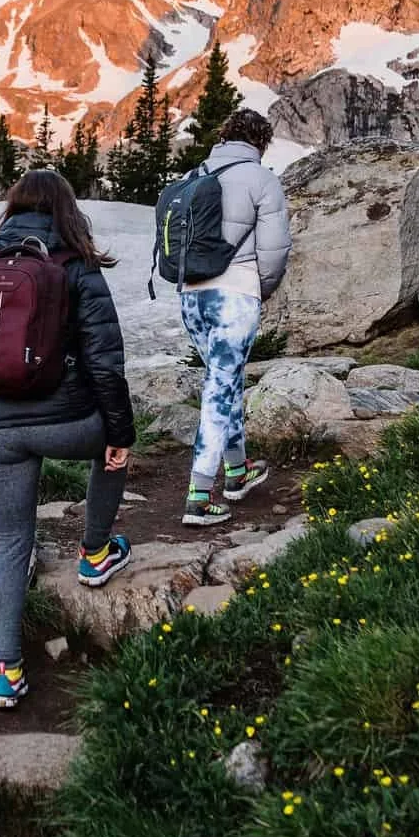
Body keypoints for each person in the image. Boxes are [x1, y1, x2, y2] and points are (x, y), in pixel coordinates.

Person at [0, 169, 136, 709]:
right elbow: (106, 365)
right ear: (66, 210)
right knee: (114, 446)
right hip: (67, 422)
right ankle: (96, 551)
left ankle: (6, 672)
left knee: (12, 542)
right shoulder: (76, 265)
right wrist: (121, 432)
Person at [179, 109, 291, 527]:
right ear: (260, 142)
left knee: (223, 382)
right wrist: (259, 289)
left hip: (191, 295)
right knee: (221, 386)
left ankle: (238, 472)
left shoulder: (197, 172)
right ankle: (199, 492)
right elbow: (275, 250)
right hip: (235, 294)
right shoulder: (261, 179)